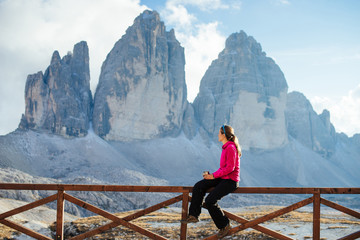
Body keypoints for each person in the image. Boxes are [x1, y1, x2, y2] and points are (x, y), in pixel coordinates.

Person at [183, 125, 241, 238]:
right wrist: (211, 176)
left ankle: (224, 225)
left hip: (230, 181)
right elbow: (223, 169)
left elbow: (230, 168)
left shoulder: (231, 148)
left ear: (224, 134)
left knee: (210, 201)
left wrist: (214, 176)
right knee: (199, 186)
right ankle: (194, 215)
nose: (218, 135)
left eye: (219, 133)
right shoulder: (225, 147)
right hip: (223, 178)